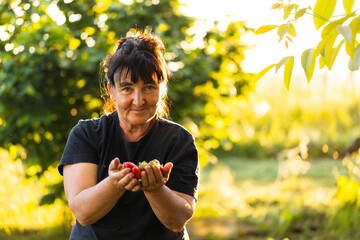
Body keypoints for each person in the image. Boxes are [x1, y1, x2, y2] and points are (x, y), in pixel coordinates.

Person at [58, 30, 200, 240]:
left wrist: (156, 189)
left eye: (149, 87)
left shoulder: (179, 140)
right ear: (111, 90)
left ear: (162, 90)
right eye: (127, 88)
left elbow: (177, 220)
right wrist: (114, 184)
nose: (139, 100)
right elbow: (83, 213)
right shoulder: (86, 135)